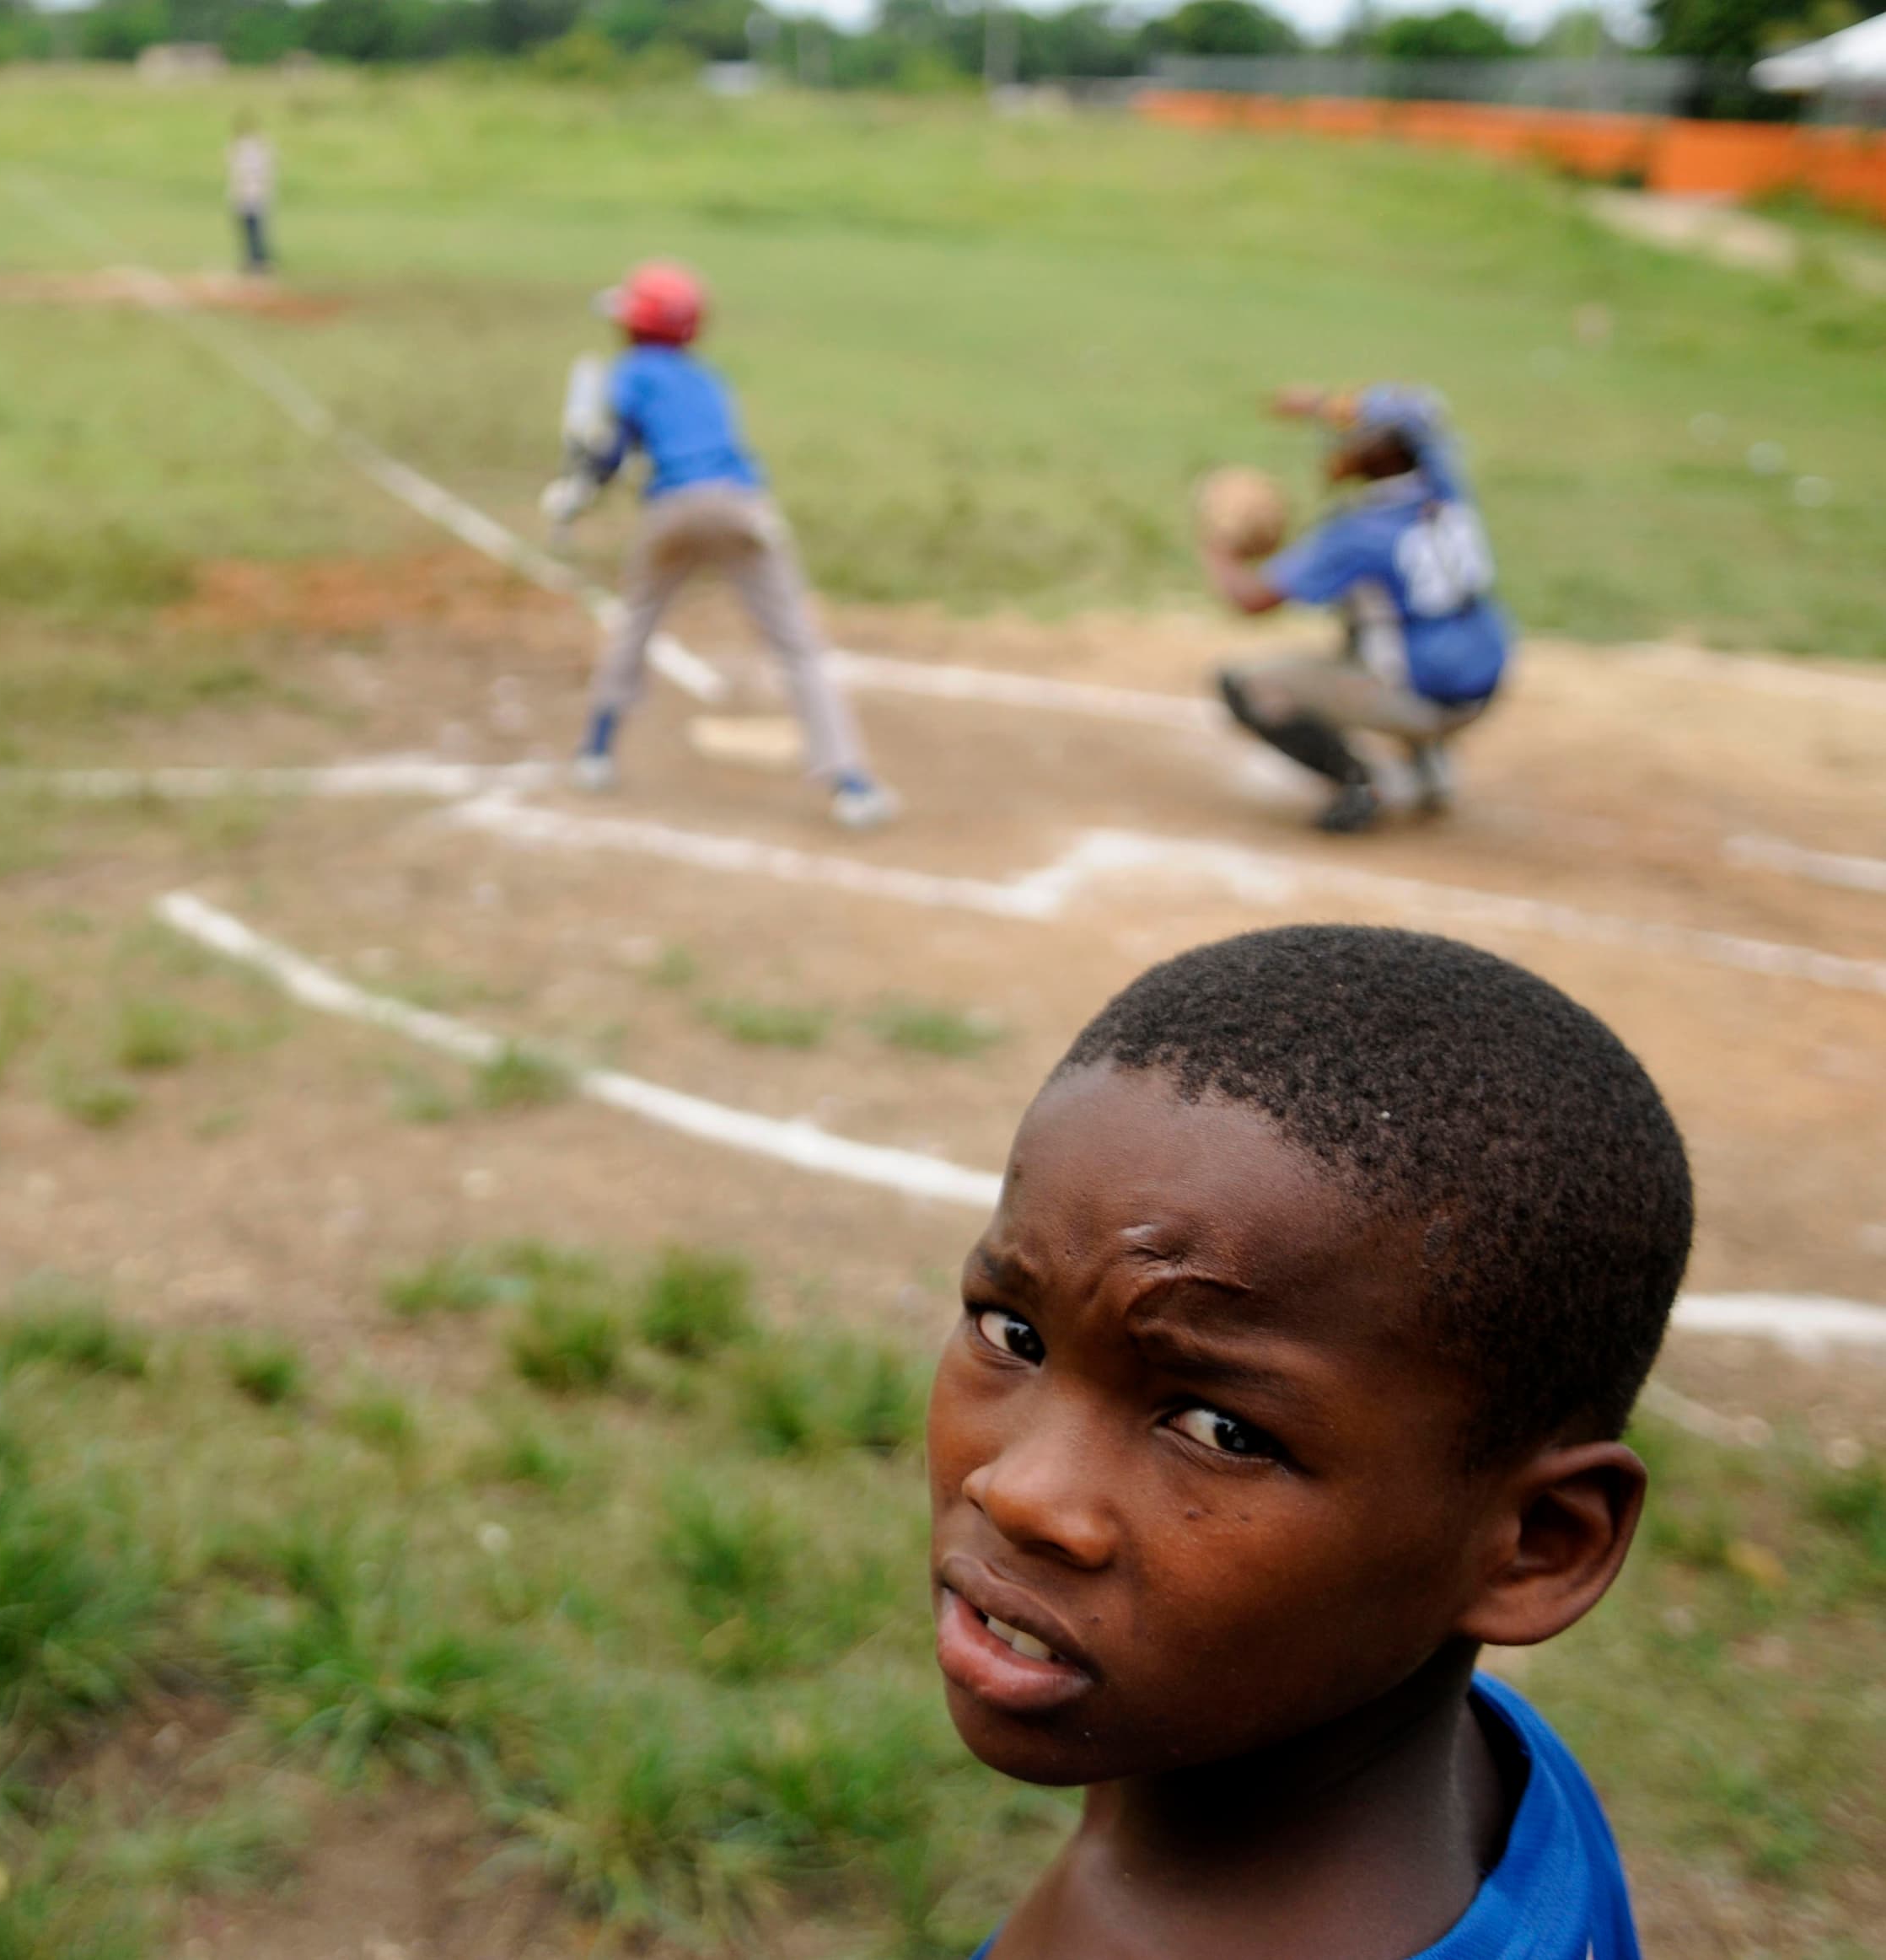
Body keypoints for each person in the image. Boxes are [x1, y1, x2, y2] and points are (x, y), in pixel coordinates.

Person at [932, 924, 1686, 1960]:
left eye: (1221, 1429)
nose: (1020, 1493)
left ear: (1536, 1544)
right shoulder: (1468, 1774)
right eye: (1011, 1332)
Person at [545, 261, 896, 832]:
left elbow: (614, 452)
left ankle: (595, 751)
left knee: (636, 623)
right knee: (798, 647)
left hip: (674, 510)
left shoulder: (631, 372)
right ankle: (851, 782)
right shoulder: (709, 379)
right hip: (743, 506)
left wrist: (577, 492)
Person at [1203, 386, 1509, 835]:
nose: (1344, 444)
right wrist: (1323, 406)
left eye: (1357, 437)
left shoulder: (1358, 534)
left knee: (1248, 688)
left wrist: (1217, 550)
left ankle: (1368, 785)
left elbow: (1252, 601)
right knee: (1377, 625)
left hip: (1423, 696)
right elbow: (1417, 412)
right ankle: (1432, 766)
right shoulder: (1441, 481)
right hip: (1484, 677)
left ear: (1385, 453)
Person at [227, 114, 275, 277]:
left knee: (255, 230)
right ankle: (252, 259)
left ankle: (259, 261)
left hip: (253, 195)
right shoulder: (249, 148)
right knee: (249, 230)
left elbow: (253, 174)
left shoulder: (251, 150)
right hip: (247, 196)